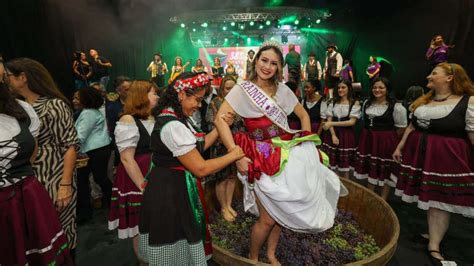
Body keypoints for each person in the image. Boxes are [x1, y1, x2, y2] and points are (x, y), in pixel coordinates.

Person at [214, 41, 344, 265]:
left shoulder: (283, 90)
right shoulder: (241, 89)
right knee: (267, 218)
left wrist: (307, 145)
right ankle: (253, 258)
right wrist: (235, 154)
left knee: (280, 212)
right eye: (264, 60)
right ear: (256, 61)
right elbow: (219, 120)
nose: (267, 66)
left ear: (279, 68)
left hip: (284, 150)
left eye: (273, 63)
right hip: (260, 153)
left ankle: (271, 254)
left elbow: (303, 116)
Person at [138, 72, 244, 265]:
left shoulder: (174, 117)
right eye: (197, 99)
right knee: (174, 237)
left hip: (169, 186)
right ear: (181, 95)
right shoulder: (173, 126)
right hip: (171, 193)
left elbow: (199, 146)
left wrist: (220, 127)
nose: (199, 105)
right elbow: (201, 168)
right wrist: (233, 155)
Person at [392, 63, 474, 264]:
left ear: (450, 78)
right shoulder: (425, 101)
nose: (429, 76)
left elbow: (472, 134)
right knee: (432, 197)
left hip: (447, 156)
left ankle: (434, 244)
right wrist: (400, 146)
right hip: (422, 156)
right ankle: (434, 232)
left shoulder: (468, 102)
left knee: (440, 201)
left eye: (434, 73)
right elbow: (412, 126)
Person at [0, 60, 73, 265]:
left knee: (53, 233)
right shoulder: (24, 106)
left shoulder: (30, 108)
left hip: (46, 176)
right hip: (32, 180)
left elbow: (68, 145)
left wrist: (65, 184)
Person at [108, 80, 158, 264]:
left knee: (154, 223)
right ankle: (143, 261)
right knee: (139, 226)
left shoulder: (155, 117)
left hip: (154, 173)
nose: (157, 97)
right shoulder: (128, 120)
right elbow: (127, 159)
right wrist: (143, 185)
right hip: (136, 177)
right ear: (141, 96)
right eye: (153, 93)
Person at [354, 78, 407, 201]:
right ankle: (369, 196)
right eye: (375, 87)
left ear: (387, 90)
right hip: (368, 140)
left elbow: (402, 128)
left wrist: (386, 137)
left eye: (381, 87)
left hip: (386, 141)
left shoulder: (396, 107)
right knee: (370, 168)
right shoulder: (367, 103)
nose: (377, 90)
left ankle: (383, 199)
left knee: (386, 170)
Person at [205, 75, 245, 222]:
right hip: (219, 146)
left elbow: (242, 124)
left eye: (233, 88)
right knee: (221, 178)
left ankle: (229, 205)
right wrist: (223, 125)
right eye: (228, 88)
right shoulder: (215, 102)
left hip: (235, 146)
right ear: (222, 88)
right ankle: (223, 207)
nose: (230, 91)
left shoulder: (239, 104)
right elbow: (210, 123)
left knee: (232, 177)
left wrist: (233, 120)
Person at [75, 86, 112, 222]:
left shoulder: (88, 113)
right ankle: (112, 203)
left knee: (86, 181)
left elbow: (80, 136)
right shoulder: (93, 111)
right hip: (100, 149)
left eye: (77, 97)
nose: (74, 100)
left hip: (94, 150)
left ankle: (85, 213)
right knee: (100, 178)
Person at [321, 79, 361, 179]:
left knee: (345, 167)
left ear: (349, 88)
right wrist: (333, 135)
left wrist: (331, 123)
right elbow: (329, 119)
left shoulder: (354, 103)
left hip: (346, 135)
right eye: (338, 88)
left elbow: (351, 122)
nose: (340, 89)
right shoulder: (333, 102)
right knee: (332, 166)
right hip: (332, 134)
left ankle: (346, 187)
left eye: (343, 87)